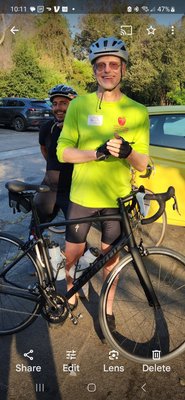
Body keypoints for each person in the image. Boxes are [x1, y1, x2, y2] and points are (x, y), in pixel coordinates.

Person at [56, 37, 149, 331]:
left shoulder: (137, 111)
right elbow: (63, 150)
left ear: (123, 69)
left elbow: (143, 164)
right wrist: (94, 154)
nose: (107, 70)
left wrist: (129, 152)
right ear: (94, 70)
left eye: (113, 64)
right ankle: (70, 287)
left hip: (117, 200)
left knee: (111, 260)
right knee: (72, 254)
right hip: (82, 197)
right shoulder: (80, 105)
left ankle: (107, 308)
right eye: (101, 65)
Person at [30, 84, 77, 235]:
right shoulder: (46, 127)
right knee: (34, 231)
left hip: (73, 190)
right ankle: (34, 254)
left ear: (73, 105)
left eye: (64, 103)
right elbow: (44, 149)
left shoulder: (81, 128)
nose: (58, 108)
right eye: (55, 104)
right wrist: (53, 166)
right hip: (49, 187)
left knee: (77, 236)